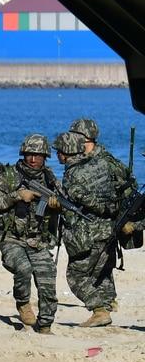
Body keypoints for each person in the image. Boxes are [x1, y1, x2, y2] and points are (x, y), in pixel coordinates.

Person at [0, 134, 61, 333]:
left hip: (37, 239)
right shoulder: (9, 176)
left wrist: (56, 205)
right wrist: (17, 196)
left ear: (45, 157)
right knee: (23, 268)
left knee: (47, 276)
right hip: (11, 237)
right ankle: (23, 303)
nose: (33, 159)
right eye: (29, 155)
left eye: (38, 155)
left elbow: (62, 201)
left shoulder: (49, 179)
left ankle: (45, 324)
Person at [54, 131, 119, 328]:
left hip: (89, 233)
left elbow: (80, 200)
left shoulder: (72, 174)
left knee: (75, 276)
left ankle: (99, 311)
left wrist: (60, 204)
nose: (57, 155)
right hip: (108, 230)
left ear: (65, 152)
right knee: (102, 271)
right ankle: (108, 305)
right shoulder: (99, 164)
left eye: (58, 151)